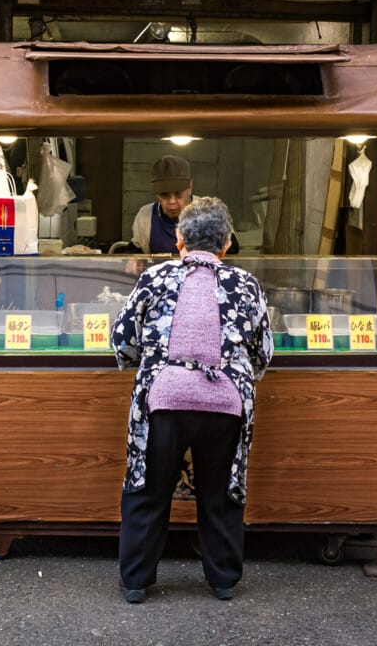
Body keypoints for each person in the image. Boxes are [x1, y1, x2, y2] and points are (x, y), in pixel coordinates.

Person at [111, 196, 273, 603]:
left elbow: (122, 341)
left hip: (163, 400)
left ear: (179, 239)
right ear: (227, 244)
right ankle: (222, 580)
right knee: (218, 494)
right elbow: (263, 352)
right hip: (227, 404)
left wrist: (149, 361)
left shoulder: (155, 277)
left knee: (149, 490)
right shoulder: (246, 284)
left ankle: (135, 580)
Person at [128, 155, 237, 254]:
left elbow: (231, 252)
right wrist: (133, 259)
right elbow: (136, 252)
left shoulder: (209, 212)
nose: (172, 201)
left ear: (190, 187)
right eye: (164, 195)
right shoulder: (145, 217)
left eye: (178, 194)